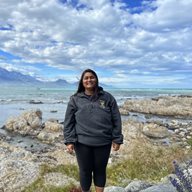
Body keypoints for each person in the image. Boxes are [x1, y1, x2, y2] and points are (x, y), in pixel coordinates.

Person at [64, 69, 123, 192]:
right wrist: (69, 141)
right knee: (85, 171)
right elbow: (68, 122)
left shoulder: (107, 97)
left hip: (103, 142)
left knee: (100, 170)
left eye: (92, 77)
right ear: (82, 81)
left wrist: (117, 138)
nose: (89, 80)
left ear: (96, 79)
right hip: (82, 142)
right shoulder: (75, 99)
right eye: (86, 78)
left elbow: (116, 118)